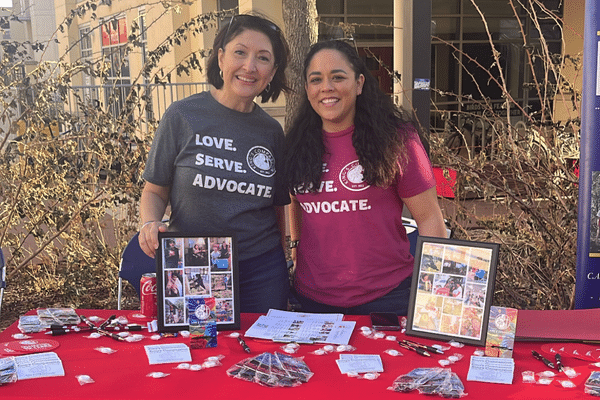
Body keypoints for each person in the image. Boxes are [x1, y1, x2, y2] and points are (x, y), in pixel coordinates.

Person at [139, 13, 291, 312]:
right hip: (195, 266)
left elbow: (277, 206)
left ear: (271, 73)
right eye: (240, 53)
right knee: (199, 351)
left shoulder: (272, 132)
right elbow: (154, 191)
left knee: (261, 353)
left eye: (262, 58)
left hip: (261, 271)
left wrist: (286, 257)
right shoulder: (183, 115)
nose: (249, 66)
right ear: (221, 58)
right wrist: (150, 222)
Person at [284, 39, 448, 316]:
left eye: (338, 77)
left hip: (388, 298)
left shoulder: (396, 140)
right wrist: (296, 245)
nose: (327, 87)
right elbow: (293, 199)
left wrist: (433, 292)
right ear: (307, 89)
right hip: (312, 302)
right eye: (316, 79)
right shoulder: (296, 144)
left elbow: (431, 220)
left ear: (359, 83)